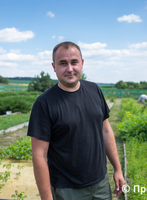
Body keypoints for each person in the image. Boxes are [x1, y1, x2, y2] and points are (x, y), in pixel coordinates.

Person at [27, 41, 125, 200]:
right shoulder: (44, 103)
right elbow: (39, 155)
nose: (70, 69)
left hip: (100, 183)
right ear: (54, 67)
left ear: (82, 63)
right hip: (67, 190)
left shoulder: (94, 90)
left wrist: (117, 169)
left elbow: (106, 130)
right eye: (63, 63)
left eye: (74, 62)